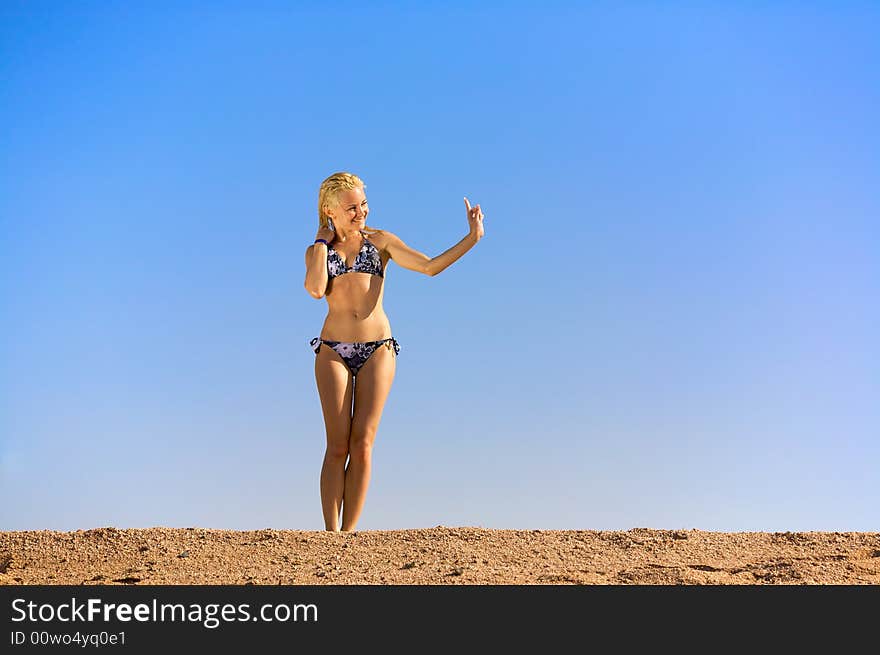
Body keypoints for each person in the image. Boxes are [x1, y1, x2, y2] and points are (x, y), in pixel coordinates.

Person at [304, 171, 485, 532]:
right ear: (330, 210)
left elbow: (429, 267)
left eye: (364, 205)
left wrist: (472, 238)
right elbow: (315, 288)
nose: (361, 213)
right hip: (333, 351)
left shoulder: (381, 242)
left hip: (378, 349)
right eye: (352, 208)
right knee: (337, 445)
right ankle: (329, 536)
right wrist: (322, 245)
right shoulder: (316, 251)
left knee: (363, 443)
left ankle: (350, 535)